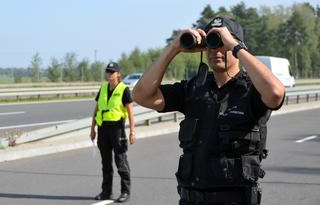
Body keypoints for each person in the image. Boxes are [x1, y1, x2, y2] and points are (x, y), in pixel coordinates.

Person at [132, 16, 285, 205]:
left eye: (221, 43)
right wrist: (174, 48)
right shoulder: (194, 89)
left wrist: (236, 47)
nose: (215, 50)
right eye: (211, 44)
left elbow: (276, 93)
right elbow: (141, 95)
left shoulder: (251, 91)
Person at [90, 62, 136, 203]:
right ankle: (106, 192)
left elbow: (130, 112)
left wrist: (132, 131)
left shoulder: (123, 89)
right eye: (108, 72)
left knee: (120, 161)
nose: (109, 74)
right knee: (106, 163)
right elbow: (96, 109)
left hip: (117, 129)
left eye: (112, 72)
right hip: (103, 129)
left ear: (118, 74)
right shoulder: (103, 88)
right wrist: (92, 128)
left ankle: (125, 191)